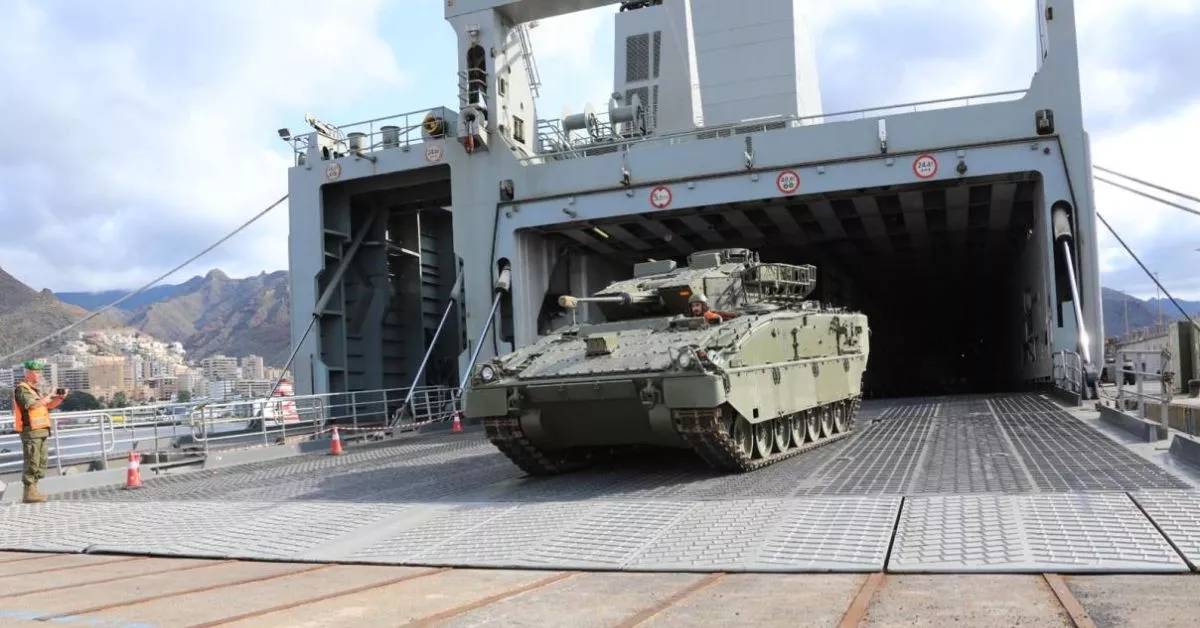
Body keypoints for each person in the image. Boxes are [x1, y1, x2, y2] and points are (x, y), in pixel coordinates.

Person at [12, 360, 66, 504]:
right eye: (36, 372)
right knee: (32, 461)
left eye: (39, 372)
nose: (39, 375)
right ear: (28, 373)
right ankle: (28, 492)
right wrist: (49, 395)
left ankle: (34, 490)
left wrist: (59, 398)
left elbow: (47, 407)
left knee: (41, 462)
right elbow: (33, 405)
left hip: (41, 431)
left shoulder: (34, 390)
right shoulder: (22, 389)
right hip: (31, 432)